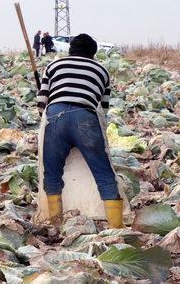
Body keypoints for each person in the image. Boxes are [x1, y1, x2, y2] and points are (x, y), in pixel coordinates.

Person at [36, 33, 123, 228]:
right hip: (85, 117)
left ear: (70, 50)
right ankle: (116, 227)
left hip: (55, 116)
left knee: (52, 173)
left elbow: (42, 102)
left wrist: (47, 118)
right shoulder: (102, 71)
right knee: (103, 172)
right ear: (93, 52)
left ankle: (55, 224)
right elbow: (103, 108)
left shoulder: (53, 66)